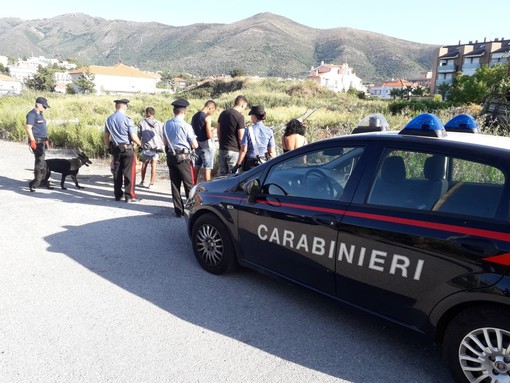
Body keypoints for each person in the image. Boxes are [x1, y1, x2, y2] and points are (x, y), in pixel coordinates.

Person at [163, 98, 198, 218]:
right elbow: (195, 145)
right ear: (185, 111)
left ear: (174, 111)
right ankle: (191, 209)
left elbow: (165, 141)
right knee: (189, 185)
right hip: (183, 157)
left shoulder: (167, 124)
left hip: (171, 155)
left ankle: (178, 210)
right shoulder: (186, 126)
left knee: (175, 184)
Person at [104, 98, 142, 203]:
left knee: (117, 171)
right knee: (129, 172)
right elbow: (134, 137)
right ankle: (129, 195)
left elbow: (106, 137)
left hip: (116, 148)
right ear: (125, 107)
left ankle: (117, 195)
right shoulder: (127, 119)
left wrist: (108, 147)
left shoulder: (109, 119)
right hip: (127, 148)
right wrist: (140, 144)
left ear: (115, 107)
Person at [233, 105, 276, 172]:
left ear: (254, 116)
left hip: (250, 163)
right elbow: (271, 152)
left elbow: (243, 150)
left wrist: (238, 164)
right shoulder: (269, 131)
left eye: (251, 115)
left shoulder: (248, 130)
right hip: (264, 163)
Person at [217, 95, 248, 175]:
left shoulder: (223, 113)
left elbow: (218, 131)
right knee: (234, 176)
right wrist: (243, 151)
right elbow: (241, 137)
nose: (243, 110)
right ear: (242, 105)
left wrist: (221, 144)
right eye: (244, 107)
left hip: (222, 149)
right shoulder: (240, 117)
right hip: (234, 150)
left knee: (222, 176)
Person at [26, 96, 51, 191]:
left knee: (42, 161)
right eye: (44, 107)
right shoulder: (32, 114)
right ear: (38, 105)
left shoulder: (40, 114)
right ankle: (37, 181)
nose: (45, 108)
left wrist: (46, 139)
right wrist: (32, 141)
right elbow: (28, 127)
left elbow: (42, 127)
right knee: (40, 161)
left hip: (42, 140)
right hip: (36, 141)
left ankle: (41, 180)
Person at [138, 107, 165, 189]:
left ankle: (142, 181)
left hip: (146, 147)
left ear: (147, 113)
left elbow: (139, 135)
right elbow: (162, 135)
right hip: (156, 147)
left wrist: (139, 145)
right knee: (154, 165)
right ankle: (152, 183)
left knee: (144, 164)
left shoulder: (142, 122)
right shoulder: (159, 123)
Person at [191, 100, 217, 183]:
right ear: (210, 108)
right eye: (212, 111)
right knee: (207, 168)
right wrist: (215, 130)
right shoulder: (207, 117)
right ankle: (207, 189)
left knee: (197, 167)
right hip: (206, 145)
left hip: (197, 144)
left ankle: (193, 186)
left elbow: (192, 130)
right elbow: (209, 135)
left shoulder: (194, 116)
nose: (211, 113)